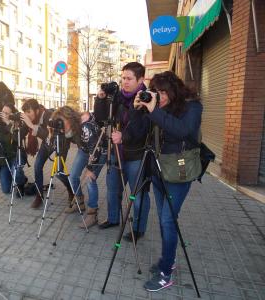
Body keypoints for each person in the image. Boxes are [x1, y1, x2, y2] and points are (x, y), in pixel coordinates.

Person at [134, 71, 202, 292]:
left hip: (179, 173)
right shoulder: (158, 107)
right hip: (158, 171)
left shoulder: (192, 107)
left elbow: (182, 130)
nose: (160, 96)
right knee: (165, 220)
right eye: (157, 92)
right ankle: (168, 259)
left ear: (174, 90)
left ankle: (166, 274)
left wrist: (154, 110)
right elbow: (140, 132)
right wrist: (140, 109)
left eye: (164, 92)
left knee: (167, 221)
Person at [98, 62, 151, 239]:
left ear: (141, 79)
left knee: (137, 195)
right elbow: (101, 118)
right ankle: (113, 218)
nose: (125, 82)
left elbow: (142, 128)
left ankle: (138, 229)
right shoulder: (118, 97)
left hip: (136, 155)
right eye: (123, 78)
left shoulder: (146, 98)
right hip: (117, 152)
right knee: (113, 190)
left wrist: (124, 137)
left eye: (129, 78)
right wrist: (101, 99)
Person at [20, 99, 80, 208]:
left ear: (37, 110)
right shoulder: (32, 119)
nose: (27, 115)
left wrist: (32, 126)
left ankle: (71, 191)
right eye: (26, 112)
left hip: (60, 141)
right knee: (37, 165)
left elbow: (49, 134)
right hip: (47, 143)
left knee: (59, 171)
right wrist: (11, 122)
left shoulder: (49, 115)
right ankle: (39, 195)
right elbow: (21, 132)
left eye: (29, 112)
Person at [67, 111, 106, 228]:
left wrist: (90, 168)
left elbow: (96, 148)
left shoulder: (86, 127)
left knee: (90, 179)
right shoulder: (72, 125)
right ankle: (80, 203)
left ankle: (92, 214)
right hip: (84, 150)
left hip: (99, 152)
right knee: (73, 176)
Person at [0, 103, 28, 195]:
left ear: (12, 115)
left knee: (17, 170)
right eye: (3, 112)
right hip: (5, 159)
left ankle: (20, 183)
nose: (4, 115)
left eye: (7, 113)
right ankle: (16, 176)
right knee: (6, 190)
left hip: (16, 156)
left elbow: (16, 138)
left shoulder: (19, 125)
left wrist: (8, 123)